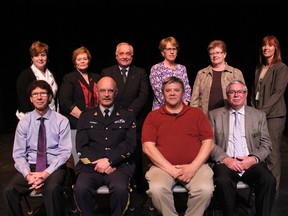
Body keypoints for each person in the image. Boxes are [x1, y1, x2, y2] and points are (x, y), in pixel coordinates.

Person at [142, 76, 215, 216]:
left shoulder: (197, 114)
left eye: (176, 90)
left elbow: (209, 143)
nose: (172, 93)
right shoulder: (153, 116)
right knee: (157, 189)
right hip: (162, 168)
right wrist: (171, 169)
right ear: (163, 94)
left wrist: (193, 168)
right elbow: (148, 147)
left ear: (183, 93)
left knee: (204, 189)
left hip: (196, 166)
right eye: (168, 90)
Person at [4, 80, 72, 216]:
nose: (39, 97)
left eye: (43, 93)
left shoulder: (61, 121)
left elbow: (64, 153)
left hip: (54, 167)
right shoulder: (24, 122)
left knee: (52, 189)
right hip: (31, 168)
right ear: (30, 98)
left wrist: (45, 174)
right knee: (9, 190)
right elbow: (18, 154)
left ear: (50, 97)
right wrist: (28, 175)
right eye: (35, 94)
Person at [209, 80, 276, 216]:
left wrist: (253, 159)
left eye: (240, 92)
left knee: (268, 180)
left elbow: (266, 144)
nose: (236, 95)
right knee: (222, 181)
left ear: (245, 94)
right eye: (232, 92)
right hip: (226, 161)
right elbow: (209, 143)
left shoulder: (258, 115)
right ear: (227, 95)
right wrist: (226, 159)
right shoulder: (214, 115)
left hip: (250, 160)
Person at [73, 76, 137, 216]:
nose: (106, 94)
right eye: (103, 91)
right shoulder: (86, 116)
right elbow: (82, 146)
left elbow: (130, 144)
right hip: (91, 167)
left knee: (120, 189)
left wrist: (109, 161)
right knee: (81, 188)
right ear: (97, 92)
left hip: (118, 166)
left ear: (116, 92)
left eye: (110, 91)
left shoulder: (127, 115)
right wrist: (100, 163)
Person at [101, 42, 150, 190]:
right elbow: (106, 94)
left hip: (134, 120)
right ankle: (116, 182)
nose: (124, 57)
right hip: (112, 120)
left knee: (134, 154)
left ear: (132, 56)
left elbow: (143, 95)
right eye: (121, 54)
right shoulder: (106, 72)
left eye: (127, 54)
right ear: (116, 56)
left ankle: (136, 186)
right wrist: (118, 115)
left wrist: (128, 114)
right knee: (116, 151)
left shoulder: (140, 73)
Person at [250, 35, 288, 198]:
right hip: (259, 115)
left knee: (272, 154)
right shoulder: (259, 67)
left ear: (276, 49)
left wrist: (261, 113)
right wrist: (253, 110)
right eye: (264, 45)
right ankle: (261, 187)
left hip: (274, 117)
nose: (266, 48)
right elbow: (253, 91)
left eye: (270, 45)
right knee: (259, 150)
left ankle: (273, 192)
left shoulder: (281, 67)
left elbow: (277, 94)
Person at [59, 46, 100, 169]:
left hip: (96, 123)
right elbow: (65, 103)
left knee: (94, 156)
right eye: (79, 59)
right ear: (74, 62)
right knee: (79, 158)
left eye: (85, 59)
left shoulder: (96, 77)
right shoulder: (69, 78)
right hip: (77, 124)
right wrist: (84, 117)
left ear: (89, 60)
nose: (82, 61)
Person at [190, 40, 245, 116]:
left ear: (224, 54)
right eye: (212, 53)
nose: (214, 55)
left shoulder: (235, 73)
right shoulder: (202, 74)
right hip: (206, 117)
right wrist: (194, 117)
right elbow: (194, 100)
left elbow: (243, 97)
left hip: (229, 117)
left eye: (217, 52)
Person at [16, 41, 58, 120]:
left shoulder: (52, 74)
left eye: (43, 55)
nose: (40, 58)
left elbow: (55, 98)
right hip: (31, 118)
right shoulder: (25, 75)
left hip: (52, 116)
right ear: (32, 58)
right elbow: (24, 101)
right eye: (36, 55)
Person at [149, 36, 191, 110]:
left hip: (181, 109)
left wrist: (183, 105)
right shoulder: (156, 68)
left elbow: (187, 89)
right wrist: (174, 107)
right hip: (162, 110)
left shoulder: (182, 68)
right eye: (168, 49)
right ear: (163, 52)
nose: (172, 52)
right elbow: (159, 92)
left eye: (174, 49)